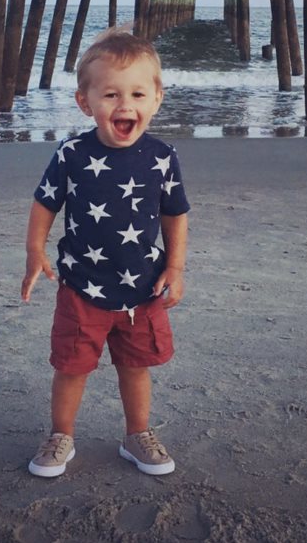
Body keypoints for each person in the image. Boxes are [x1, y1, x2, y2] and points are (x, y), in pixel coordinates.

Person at [21, 30, 190, 478]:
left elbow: (175, 214)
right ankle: (61, 436)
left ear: (157, 99)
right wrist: (35, 251)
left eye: (137, 93)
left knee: (136, 367)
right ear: (85, 101)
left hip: (142, 289)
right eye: (110, 94)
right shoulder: (72, 153)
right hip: (81, 287)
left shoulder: (162, 156)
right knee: (72, 367)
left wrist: (175, 266)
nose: (124, 105)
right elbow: (45, 203)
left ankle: (137, 435)